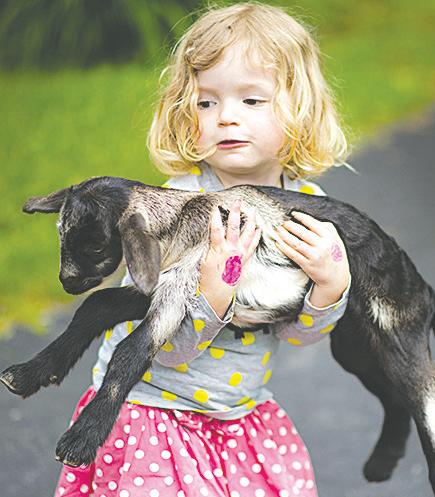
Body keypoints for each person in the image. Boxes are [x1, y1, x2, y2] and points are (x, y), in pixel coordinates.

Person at [54, 2, 352, 496]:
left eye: (251, 100)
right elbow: (165, 351)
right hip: (155, 414)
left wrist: (331, 284)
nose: (226, 117)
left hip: (236, 416)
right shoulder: (176, 207)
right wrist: (214, 293)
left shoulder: (307, 208)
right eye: (206, 102)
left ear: (300, 106)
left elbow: (298, 335)